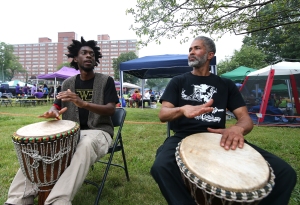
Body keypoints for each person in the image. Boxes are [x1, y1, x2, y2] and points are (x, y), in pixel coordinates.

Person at [150, 36, 297, 205]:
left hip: (219, 137)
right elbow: (163, 114)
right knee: (160, 167)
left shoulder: (225, 85)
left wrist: (237, 129)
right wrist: (182, 109)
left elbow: (245, 119)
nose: (191, 52)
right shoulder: (179, 81)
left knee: (285, 173)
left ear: (210, 54)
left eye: (197, 48)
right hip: (183, 136)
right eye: (190, 49)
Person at [5, 37, 119, 205]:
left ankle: (58, 201)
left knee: (85, 145)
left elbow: (111, 109)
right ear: (75, 58)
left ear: (95, 60)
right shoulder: (68, 83)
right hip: (71, 133)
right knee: (38, 147)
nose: (89, 56)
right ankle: (17, 199)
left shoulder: (106, 81)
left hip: (99, 132)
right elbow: (56, 106)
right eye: (84, 53)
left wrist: (82, 103)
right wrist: (52, 112)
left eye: (92, 54)